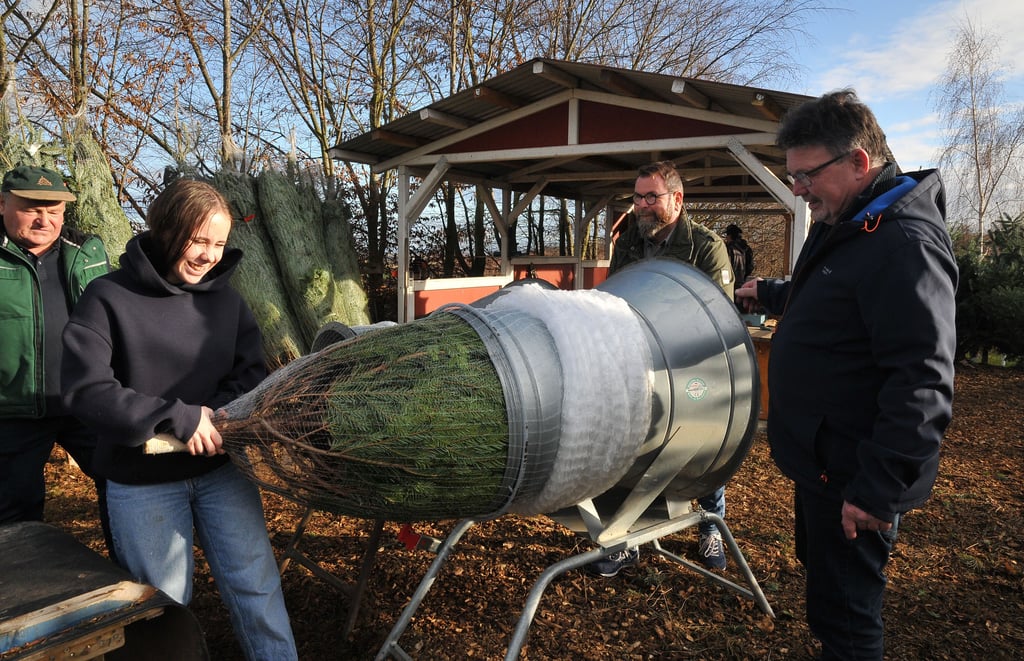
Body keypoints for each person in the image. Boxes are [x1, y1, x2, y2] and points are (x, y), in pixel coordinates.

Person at [735, 90, 957, 660]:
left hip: (856, 477)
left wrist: (878, 491)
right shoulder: (854, 223)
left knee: (849, 621)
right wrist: (777, 293)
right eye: (794, 177)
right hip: (823, 465)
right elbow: (837, 293)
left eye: (807, 176)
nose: (799, 191)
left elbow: (922, 382)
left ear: (859, 162)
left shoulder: (904, 242)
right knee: (828, 597)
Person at [61, 178, 298, 660]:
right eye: (199, 240)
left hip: (220, 472)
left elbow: (249, 374)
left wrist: (222, 415)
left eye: (219, 243)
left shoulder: (228, 304)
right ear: (167, 230)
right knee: (162, 610)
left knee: (258, 588)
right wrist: (177, 417)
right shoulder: (107, 298)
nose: (210, 254)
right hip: (142, 480)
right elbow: (88, 392)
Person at [588, 160, 736, 578]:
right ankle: (625, 537)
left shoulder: (705, 247)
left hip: (693, 365)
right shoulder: (629, 242)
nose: (642, 205)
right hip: (640, 365)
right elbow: (613, 299)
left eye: (652, 197)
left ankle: (709, 524)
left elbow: (718, 319)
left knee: (705, 446)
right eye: (637, 197)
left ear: (677, 198)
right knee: (635, 448)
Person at [0, 164, 117, 563]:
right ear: (2, 204)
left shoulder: (85, 253)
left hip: (85, 403)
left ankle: (133, 585)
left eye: (54, 209)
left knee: (118, 485)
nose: (44, 219)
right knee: (15, 511)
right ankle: (22, 601)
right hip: (13, 410)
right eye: (31, 207)